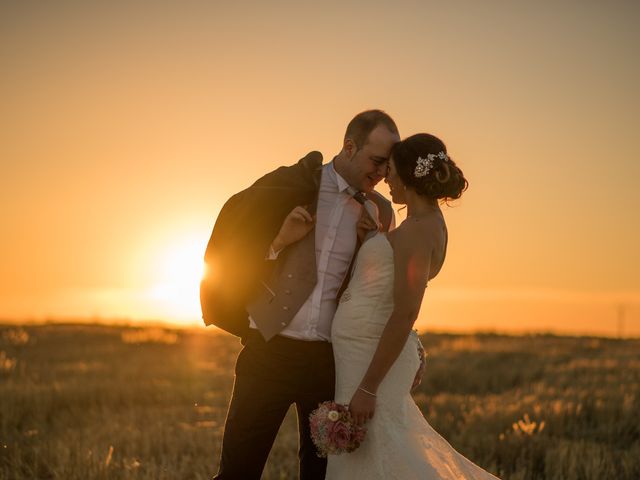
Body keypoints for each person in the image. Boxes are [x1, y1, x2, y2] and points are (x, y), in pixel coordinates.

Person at [205, 110, 422, 479]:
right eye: (377, 161)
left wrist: (411, 346)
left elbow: (381, 289)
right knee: (237, 471)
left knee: (321, 474)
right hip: (267, 349)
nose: (384, 173)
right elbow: (235, 251)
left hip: (328, 362)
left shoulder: (381, 212)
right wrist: (277, 242)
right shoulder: (293, 188)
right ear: (349, 147)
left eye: (389, 166)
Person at [325, 133, 500, 479]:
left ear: (407, 174)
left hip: (370, 365)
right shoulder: (417, 226)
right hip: (364, 353)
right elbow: (391, 292)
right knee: (369, 459)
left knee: (379, 460)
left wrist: (367, 388)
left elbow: (406, 310)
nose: (386, 179)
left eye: (390, 171)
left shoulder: (419, 231)